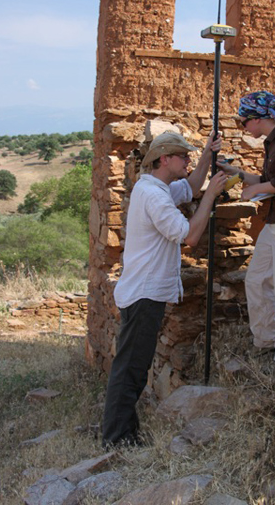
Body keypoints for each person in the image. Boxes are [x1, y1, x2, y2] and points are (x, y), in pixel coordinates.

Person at [102, 130, 226, 448]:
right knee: (131, 368)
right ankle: (117, 438)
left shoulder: (156, 188)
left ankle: (121, 432)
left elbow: (192, 186)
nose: (188, 161)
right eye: (183, 156)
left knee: (131, 365)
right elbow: (189, 236)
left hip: (143, 292)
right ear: (165, 159)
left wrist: (207, 158)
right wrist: (211, 196)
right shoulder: (155, 196)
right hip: (144, 294)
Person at [217, 91, 275, 372]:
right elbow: (272, 179)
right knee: (257, 280)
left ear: (259, 118)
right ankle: (267, 340)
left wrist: (256, 190)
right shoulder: (274, 140)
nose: (243, 127)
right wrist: (237, 173)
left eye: (243, 120)